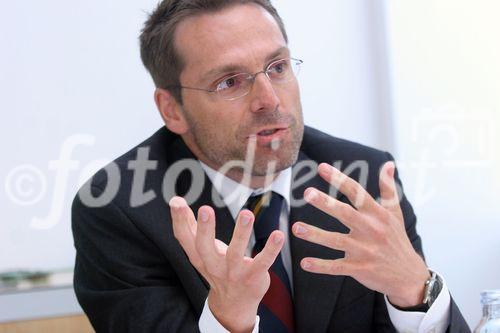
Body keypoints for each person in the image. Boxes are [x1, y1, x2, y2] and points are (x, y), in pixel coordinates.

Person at [71, 0, 470, 332]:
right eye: (230, 81)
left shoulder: (363, 176)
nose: (269, 100)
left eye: (277, 67)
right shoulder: (117, 208)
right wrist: (229, 318)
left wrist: (416, 292)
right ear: (172, 110)